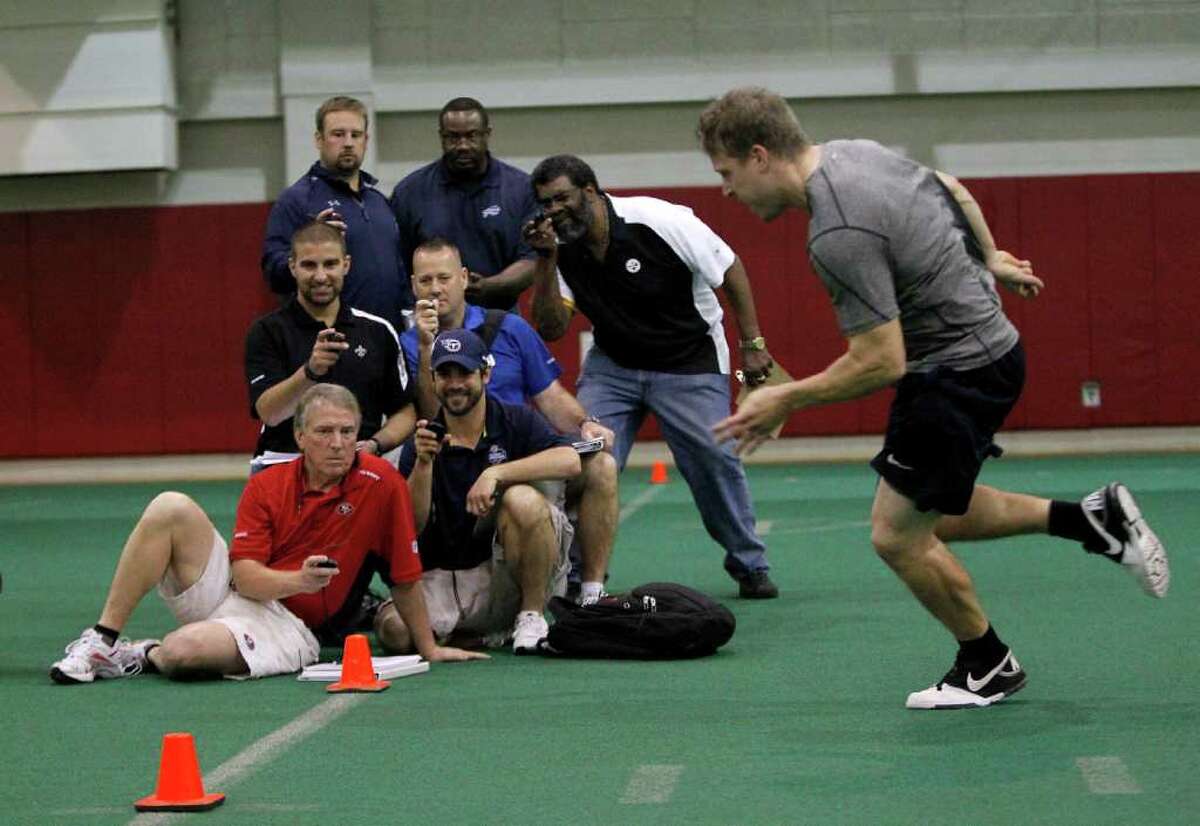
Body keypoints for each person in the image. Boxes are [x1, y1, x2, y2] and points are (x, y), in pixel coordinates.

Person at [697, 86, 1170, 709]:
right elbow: (949, 184)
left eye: (727, 173)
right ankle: (1092, 519)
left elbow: (880, 360)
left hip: (955, 371)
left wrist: (787, 400)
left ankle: (988, 663)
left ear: (760, 155)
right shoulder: (852, 153)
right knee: (929, 509)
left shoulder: (836, 232)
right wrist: (990, 256)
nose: (726, 191)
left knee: (896, 536)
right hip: (987, 353)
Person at [50, 384, 486, 684]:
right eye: (324, 432)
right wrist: (301, 579)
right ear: (300, 437)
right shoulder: (267, 484)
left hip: (290, 625)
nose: (338, 443)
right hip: (245, 589)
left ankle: (143, 654)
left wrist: (428, 648)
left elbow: (406, 577)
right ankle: (102, 641)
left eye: (347, 432)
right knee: (170, 506)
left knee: (184, 654)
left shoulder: (383, 484)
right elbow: (247, 578)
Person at [526, 154, 778, 599]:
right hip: (614, 365)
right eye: (546, 203)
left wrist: (753, 346)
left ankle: (749, 562)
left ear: (590, 192)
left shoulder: (658, 220)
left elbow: (730, 267)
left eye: (562, 198)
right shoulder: (560, 248)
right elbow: (550, 328)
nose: (554, 210)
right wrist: (545, 261)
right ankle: (580, 576)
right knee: (586, 457)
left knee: (712, 456)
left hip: (689, 359)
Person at [401, 237, 619, 604]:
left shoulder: (509, 328)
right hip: (451, 470)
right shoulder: (406, 343)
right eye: (425, 281)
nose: (435, 288)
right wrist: (425, 347)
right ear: (412, 285)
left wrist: (585, 423)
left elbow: (549, 396)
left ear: (464, 278)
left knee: (602, 466)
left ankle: (592, 590)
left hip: (516, 456)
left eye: (444, 277)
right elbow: (426, 414)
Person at [382, 329, 582, 654]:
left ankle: (530, 615)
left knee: (523, 499)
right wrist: (423, 464)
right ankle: (479, 633)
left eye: (465, 372)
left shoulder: (514, 419)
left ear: (486, 374)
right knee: (394, 633)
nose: (455, 383)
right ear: (433, 380)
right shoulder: (422, 440)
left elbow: (571, 460)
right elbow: (412, 526)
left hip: (502, 578)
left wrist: (497, 473)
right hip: (442, 579)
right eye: (445, 374)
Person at [246, 221, 415, 468]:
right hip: (285, 462)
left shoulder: (377, 331)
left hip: (359, 463)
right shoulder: (267, 332)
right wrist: (310, 371)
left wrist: (376, 445)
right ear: (292, 266)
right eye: (309, 265)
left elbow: (405, 412)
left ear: (346, 265)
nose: (321, 276)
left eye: (330, 264)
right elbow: (270, 414)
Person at [261, 96, 412, 331]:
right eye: (338, 134)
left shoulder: (379, 202)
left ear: (366, 140)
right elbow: (274, 273)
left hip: (387, 339)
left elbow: (400, 273)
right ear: (319, 140)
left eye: (356, 135)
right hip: (330, 337)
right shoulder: (297, 200)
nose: (348, 143)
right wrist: (313, 239)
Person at [390, 97, 537, 310]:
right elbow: (399, 267)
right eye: (453, 137)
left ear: (487, 134)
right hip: (433, 322)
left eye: (472, 136)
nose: (463, 146)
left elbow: (533, 261)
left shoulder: (521, 189)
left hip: (500, 320)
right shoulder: (409, 193)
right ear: (441, 136)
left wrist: (490, 286)